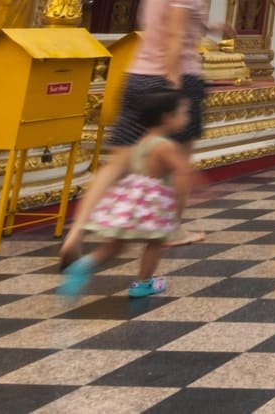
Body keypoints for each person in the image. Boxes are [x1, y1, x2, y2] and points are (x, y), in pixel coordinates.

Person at [103, 0, 226, 244]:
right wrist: (174, 87)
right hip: (177, 76)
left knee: (122, 158)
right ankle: (172, 228)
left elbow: (176, 25)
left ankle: (91, 224)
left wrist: (214, 27)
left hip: (138, 75)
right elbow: (173, 37)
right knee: (178, 160)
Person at [59, 88, 191, 302]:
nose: (187, 118)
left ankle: (83, 265)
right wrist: (189, 193)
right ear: (167, 117)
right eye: (183, 113)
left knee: (116, 245)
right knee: (156, 241)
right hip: (152, 202)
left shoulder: (140, 142)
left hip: (130, 201)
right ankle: (143, 283)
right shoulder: (166, 146)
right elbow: (183, 171)